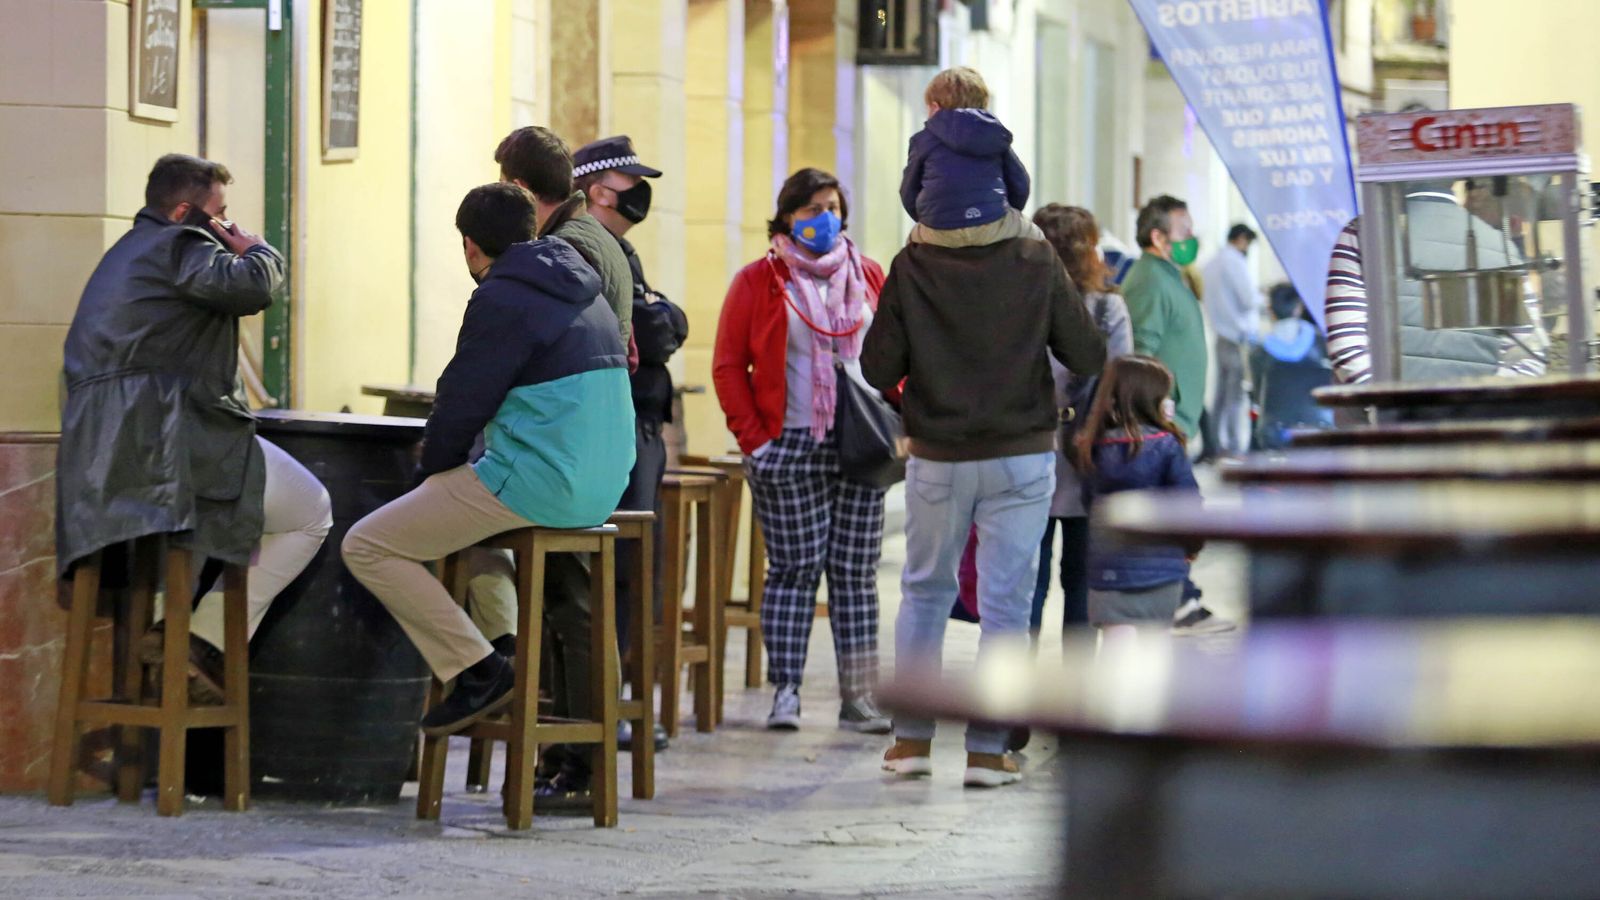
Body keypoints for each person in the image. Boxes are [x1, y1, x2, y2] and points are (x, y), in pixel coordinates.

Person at [341, 183, 634, 736]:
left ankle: (479, 669)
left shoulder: (502, 295)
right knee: (463, 523)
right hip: (602, 485)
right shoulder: (584, 289)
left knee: (369, 544)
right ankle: (498, 639)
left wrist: (429, 473)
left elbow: (461, 403)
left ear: (471, 247)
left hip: (540, 483)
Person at [56, 154, 331, 703]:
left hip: (103, 468)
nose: (226, 226)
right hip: (164, 449)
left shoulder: (126, 252)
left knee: (209, 516)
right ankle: (200, 642)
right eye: (220, 214)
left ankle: (170, 633)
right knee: (309, 511)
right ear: (185, 210)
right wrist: (256, 248)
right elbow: (252, 287)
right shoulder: (180, 244)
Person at [863, 181, 1106, 787]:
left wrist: (926, 383)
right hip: (1020, 455)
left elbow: (876, 366)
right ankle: (989, 750)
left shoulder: (913, 261)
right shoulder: (1036, 257)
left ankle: (912, 742)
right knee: (1006, 604)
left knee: (923, 592)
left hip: (939, 454)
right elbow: (1085, 351)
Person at [712, 168, 891, 734]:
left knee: (856, 572)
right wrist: (754, 440)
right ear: (787, 215)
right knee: (793, 569)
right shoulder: (758, 280)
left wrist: (900, 416)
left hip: (861, 445)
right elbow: (727, 365)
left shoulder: (868, 275)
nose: (824, 218)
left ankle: (859, 696)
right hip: (787, 442)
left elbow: (893, 355)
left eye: (832, 206)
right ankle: (785, 690)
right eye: (811, 208)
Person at [573, 134, 689, 756]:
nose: (641, 196)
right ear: (597, 189)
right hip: (613, 430)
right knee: (609, 572)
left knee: (628, 573)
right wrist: (659, 315)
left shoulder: (622, 250)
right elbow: (652, 327)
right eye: (630, 184)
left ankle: (616, 698)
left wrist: (661, 314)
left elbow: (669, 323)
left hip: (637, 425)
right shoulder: (588, 250)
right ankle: (603, 701)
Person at [1121, 195, 1228, 634]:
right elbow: (1140, 350)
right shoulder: (1148, 279)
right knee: (1171, 511)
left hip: (1173, 419)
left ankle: (1180, 599)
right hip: (1161, 420)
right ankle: (1178, 601)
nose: (1191, 238)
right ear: (1158, 236)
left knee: (1172, 511)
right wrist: (1155, 407)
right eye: (1184, 230)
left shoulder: (1168, 275)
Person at [1028, 204, 1133, 636]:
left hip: (1036, 449)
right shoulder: (1108, 309)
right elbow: (1122, 380)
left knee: (1028, 581)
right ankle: (1077, 691)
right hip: (1085, 451)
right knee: (1077, 582)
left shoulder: (1019, 303)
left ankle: (1021, 690)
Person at [1074, 355, 1202, 644]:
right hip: (1162, 568)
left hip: (1107, 568)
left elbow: (1088, 502)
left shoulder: (1089, 446)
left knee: (1116, 649)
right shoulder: (1168, 446)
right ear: (1153, 400)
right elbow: (1189, 504)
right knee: (1154, 649)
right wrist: (1192, 545)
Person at [900, 67, 1041, 247]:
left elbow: (908, 191)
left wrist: (927, 218)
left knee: (911, 247)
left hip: (939, 228)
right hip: (990, 224)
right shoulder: (993, 136)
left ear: (934, 107)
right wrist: (1004, 212)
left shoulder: (923, 140)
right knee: (1037, 240)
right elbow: (1020, 185)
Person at [1202, 223, 1261, 457]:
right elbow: (1248, 299)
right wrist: (1261, 298)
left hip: (1220, 334)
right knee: (1235, 395)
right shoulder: (1235, 262)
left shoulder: (1211, 263)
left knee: (1220, 393)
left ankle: (1215, 443)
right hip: (1238, 337)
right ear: (1242, 239)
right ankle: (1235, 445)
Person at [1251, 284, 1334, 449]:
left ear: (1271, 311)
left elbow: (1258, 397)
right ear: (1298, 308)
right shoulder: (1321, 342)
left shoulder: (1259, 352)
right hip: (1319, 426)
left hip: (1275, 432)